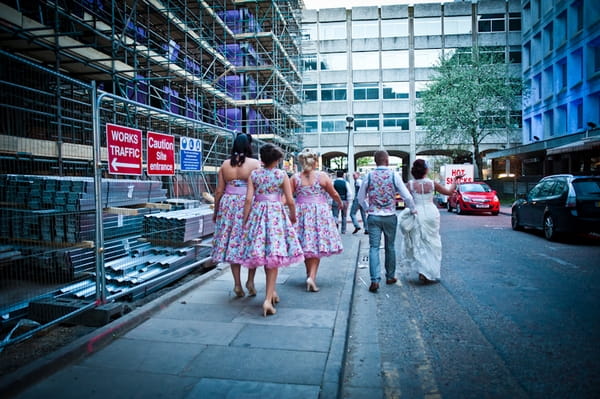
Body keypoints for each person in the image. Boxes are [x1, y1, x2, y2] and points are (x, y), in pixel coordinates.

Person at [238, 143, 304, 317]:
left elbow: (248, 200)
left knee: (260, 253)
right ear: (276, 160)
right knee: (274, 256)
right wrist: (293, 215)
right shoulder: (281, 175)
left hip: (258, 214)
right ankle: (267, 299)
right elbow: (290, 200)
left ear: (262, 158)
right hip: (275, 215)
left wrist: (245, 220)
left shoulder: (254, 174)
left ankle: (269, 292)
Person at [358, 150, 416, 293]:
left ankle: (374, 279)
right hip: (390, 215)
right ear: (387, 161)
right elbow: (407, 196)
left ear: (375, 160)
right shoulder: (393, 175)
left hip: (373, 216)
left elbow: (360, 198)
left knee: (374, 248)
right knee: (390, 246)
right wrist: (413, 209)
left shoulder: (369, 176)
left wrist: (367, 208)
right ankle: (390, 276)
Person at [211, 133, 260, 298]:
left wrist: (216, 211)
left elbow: (219, 191)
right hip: (248, 204)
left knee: (233, 244)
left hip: (229, 205)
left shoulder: (225, 164)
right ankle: (250, 281)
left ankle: (237, 284)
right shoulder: (255, 164)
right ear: (249, 145)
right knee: (251, 243)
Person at [291, 148, 344, 293]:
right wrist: (340, 203)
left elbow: (288, 197)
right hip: (319, 213)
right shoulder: (322, 176)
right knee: (316, 246)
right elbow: (333, 193)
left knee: (307, 246)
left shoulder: (295, 178)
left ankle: (309, 275)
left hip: (301, 212)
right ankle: (311, 278)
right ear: (315, 161)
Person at [400, 159, 459, 283]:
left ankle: (422, 271)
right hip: (431, 214)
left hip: (417, 213)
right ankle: (429, 271)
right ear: (426, 170)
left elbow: (403, 197)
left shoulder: (410, 185)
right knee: (432, 243)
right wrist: (455, 181)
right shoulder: (432, 184)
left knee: (419, 242)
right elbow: (449, 192)